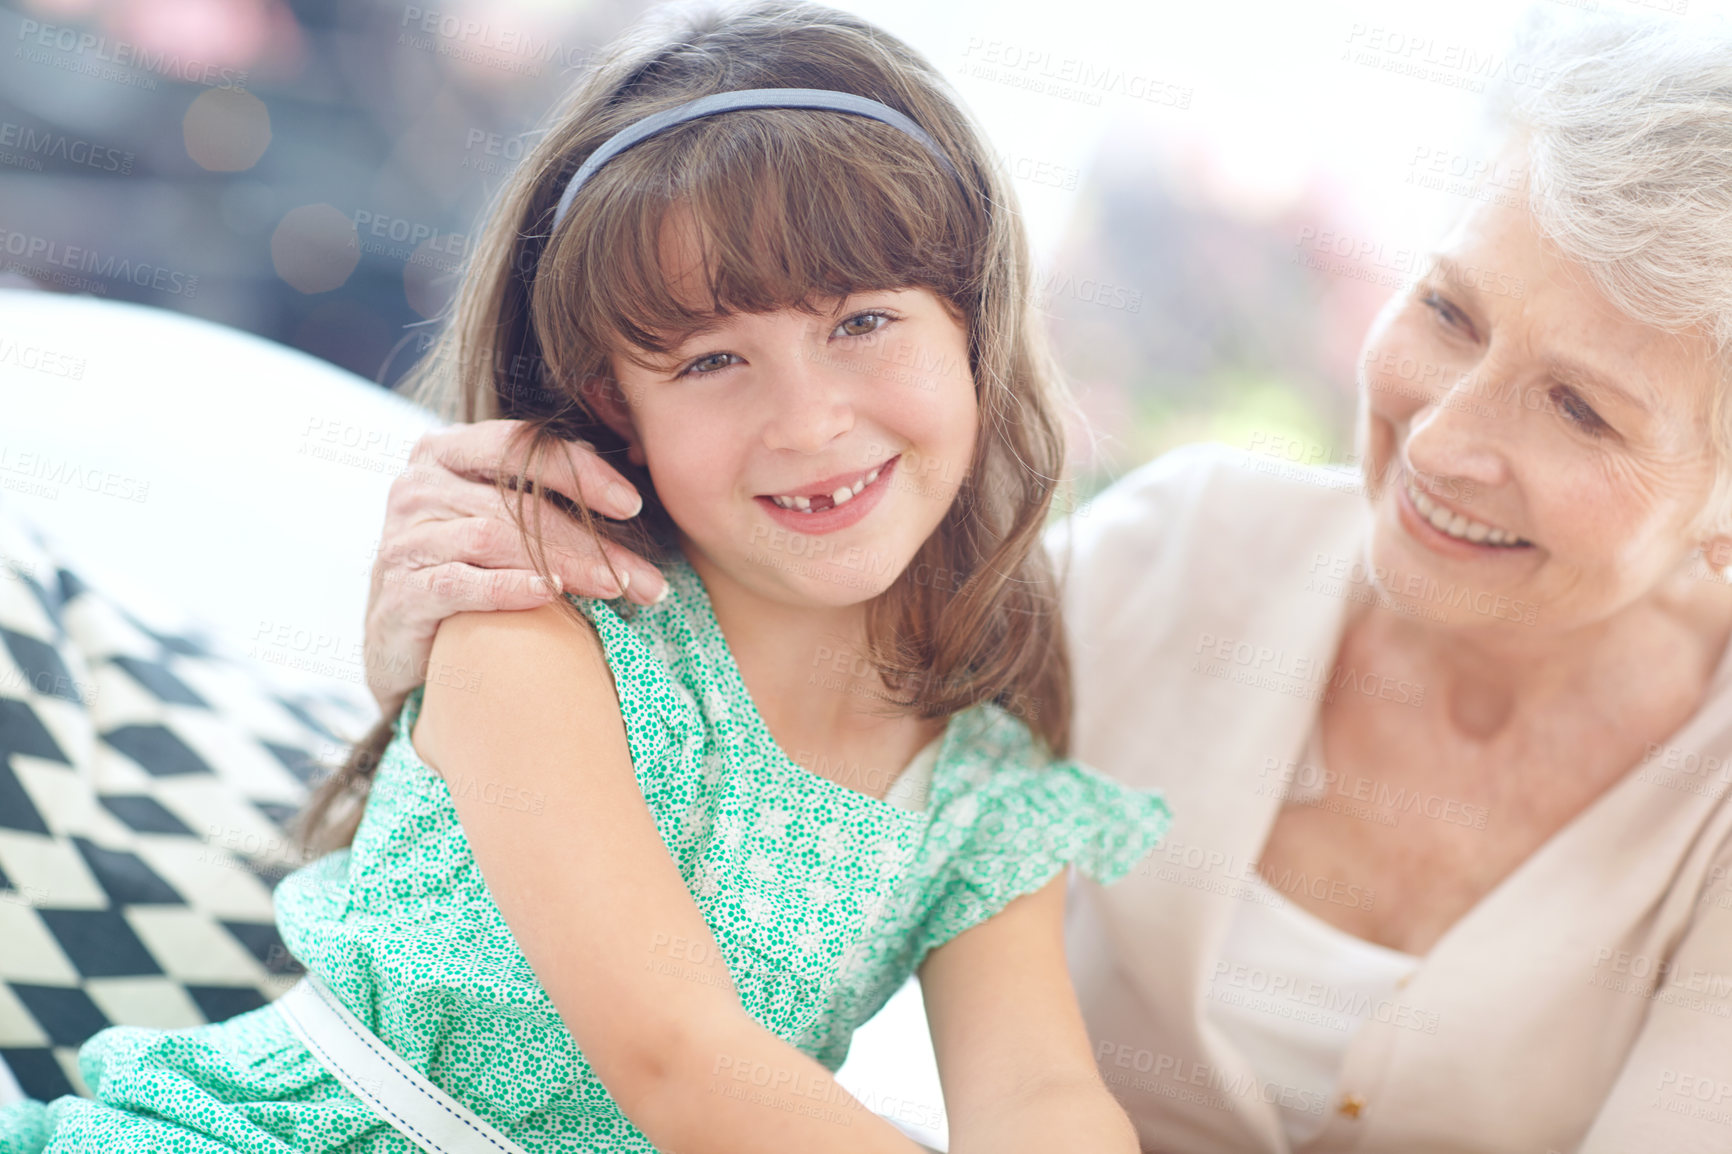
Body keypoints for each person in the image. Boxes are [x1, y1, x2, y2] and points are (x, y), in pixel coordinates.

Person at [356, 15, 1732, 1153]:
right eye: (1448, 310)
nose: (1444, 436)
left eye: (1584, 410)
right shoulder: (1179, 563)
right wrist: (422, 647)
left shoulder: (990, 772)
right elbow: (835, 631)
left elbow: (1033, 1084)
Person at [0, 4, 1173, 1152]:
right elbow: (677, 1056)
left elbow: (1037, 1092)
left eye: (863, 321)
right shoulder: (539, 620)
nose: (809, 421)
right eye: (713, 358)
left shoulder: (981, 772)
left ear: (970, 328)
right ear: (616, 401)